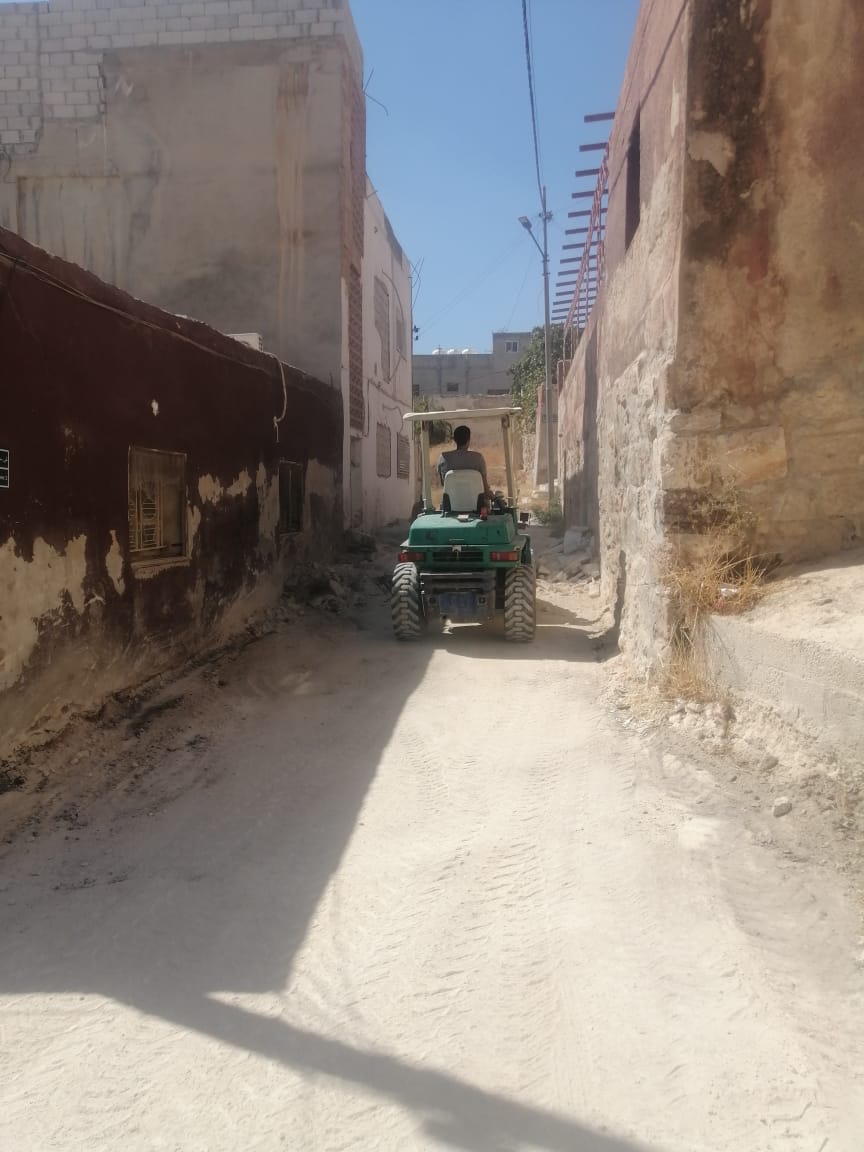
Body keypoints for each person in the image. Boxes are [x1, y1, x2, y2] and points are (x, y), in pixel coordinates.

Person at [437, 425, 491, 496]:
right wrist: (493, 496)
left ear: (455, 440)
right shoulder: (478, 458)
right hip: (476, 501)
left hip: (450, 501)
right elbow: (485, 486)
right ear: (468, 440)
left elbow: (443, 483)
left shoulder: (443, 458)